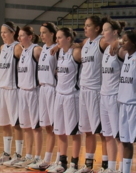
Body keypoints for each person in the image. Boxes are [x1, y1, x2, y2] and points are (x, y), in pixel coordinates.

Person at [76, 15, 109, 173]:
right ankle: (88, 165)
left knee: (102, 131)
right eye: (85, 25)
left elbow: (119, 43)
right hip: (84, 89)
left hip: (97, 90)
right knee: (87, 130)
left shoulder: (102, 41)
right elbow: (75, 45)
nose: (85, 28)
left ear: (97, 28)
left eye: (88, 25)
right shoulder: (85, 43)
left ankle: (106, 165)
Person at [47, 27, 82, 173]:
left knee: (74, 132)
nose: (57, 40)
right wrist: (58, 46)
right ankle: (62, 162)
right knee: (59, 130)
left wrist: (77, 45)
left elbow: (88, 47)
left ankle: (74, 164)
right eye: (56, 38)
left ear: (69, 38)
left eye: (60, 37)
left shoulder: (76, 52)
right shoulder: (59, 51)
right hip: (59, 94)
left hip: (72, 95)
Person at [0, 22, 24, 166]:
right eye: (1, 32)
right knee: (4, 123)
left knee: (16, 124)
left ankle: (19, 154)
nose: (2, 35)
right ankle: (6, 154)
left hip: (13, 90)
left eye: (5, 32)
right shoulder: (2, 48)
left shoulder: (18, 48)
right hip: (1, 89)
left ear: (12, 32)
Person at [27, 22, 59, 171]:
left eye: (45, 32)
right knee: (47, 126)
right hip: (42, 89)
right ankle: (47, 159)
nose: (42, 35)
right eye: (40, 32)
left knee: (56, 127)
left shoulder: (58, 49)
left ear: (52, 33)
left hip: (53, 89)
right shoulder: (43, 49)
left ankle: (60, 159)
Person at [117, 30, 136, 173]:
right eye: (122, 40)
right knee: (125, 141)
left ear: (134, 43)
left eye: (126, 40)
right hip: (123, 104)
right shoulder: (127, 58)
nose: (122, 42)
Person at [13, 26, 43, 168]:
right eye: (18, 36)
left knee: (35, 127)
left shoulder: (36, 50)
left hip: (33, 91)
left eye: (22, 35)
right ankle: (28, 155)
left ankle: (37, 157)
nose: (19, 38)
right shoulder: (22, 51)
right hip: (22, 91)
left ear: (30, 37)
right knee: (26, 126)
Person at [100, 18, 125, 173]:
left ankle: (123, 168)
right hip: (104, 95)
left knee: (118, 136)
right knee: (108, 135)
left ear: (115, 32)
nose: (103, 32)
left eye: (106, 30)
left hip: (115, 96)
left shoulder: (120, 49)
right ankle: (111, 168)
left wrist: (120, 41)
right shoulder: (106, 49)